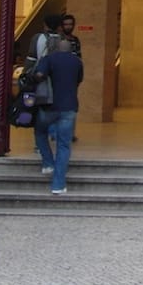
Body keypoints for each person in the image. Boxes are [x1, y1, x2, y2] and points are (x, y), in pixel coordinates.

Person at [32, 36, 84, 194]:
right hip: (69, 106)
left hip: (50, 106)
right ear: (70, 49)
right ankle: (58, 184)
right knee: (63, 145)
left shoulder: (49, 59)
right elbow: (79, 79)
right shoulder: (77, 62)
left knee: (40, 131)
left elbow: (38, 75)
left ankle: (48, 163)